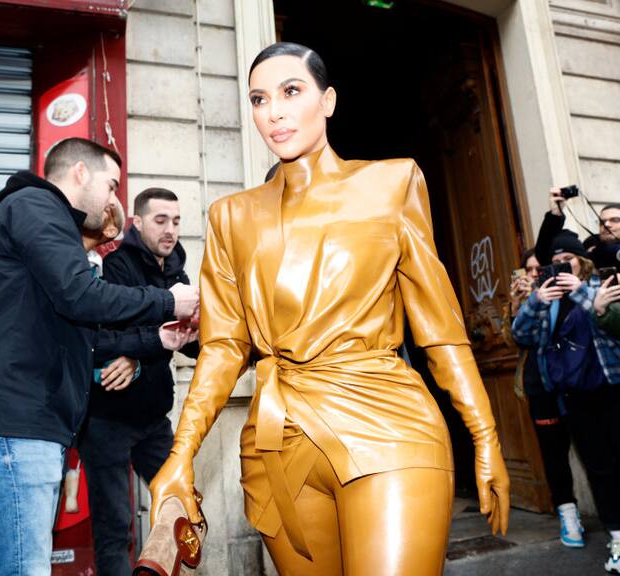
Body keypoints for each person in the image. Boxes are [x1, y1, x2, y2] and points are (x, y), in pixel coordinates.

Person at [149, 42, 509, 575]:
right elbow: (224, 347)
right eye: (258, 98)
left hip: (387, 422)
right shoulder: (231, 217)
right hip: (277, 444)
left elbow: (440, 329)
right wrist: (181, 453)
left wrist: (485, 435)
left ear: (329, 100)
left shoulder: (392, 184)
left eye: (291, 91)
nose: (273, 112)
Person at [0, 135, 198, 575]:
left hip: (15, 424)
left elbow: (80, 331)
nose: (113, 198)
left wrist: (158, 342)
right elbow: (82, 295)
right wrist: (168, 302)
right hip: (12, 427)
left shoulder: (28, 214)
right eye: (111, 185)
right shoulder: (37, 207)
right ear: (81, 173)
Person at [80, 187, 199, 575]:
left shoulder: (177, 269)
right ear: (138, 222)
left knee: (182, 509)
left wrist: (140, 357)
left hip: (153, 420)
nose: (170, 230)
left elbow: (182, 343)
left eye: (177, 221)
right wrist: (145, 347)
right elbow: (105, 339)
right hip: (107, 421)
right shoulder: (117, 265)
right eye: (161, 220)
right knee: (115, 529)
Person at [512, 230, 620, 573]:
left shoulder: (602, 285)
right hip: (575, 397)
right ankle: (618, 537)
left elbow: (612, 320)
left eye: (567, 261)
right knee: (600, 470)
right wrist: (535, 302)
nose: (560, 268)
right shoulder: (548, 302)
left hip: (612, 389)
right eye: (555, 263)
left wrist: (585, 296)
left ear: (582, 262)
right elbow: (521, 335)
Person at [508, 249, 582, 547]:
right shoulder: (525, 300)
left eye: (541, 268)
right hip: (540, 386)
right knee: (553, 454)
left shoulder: (568, 292)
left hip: (575, 384)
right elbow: (510, 339)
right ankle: (568, 514)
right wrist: (517, 303)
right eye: (530, 269)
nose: (536, 274)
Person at [535, 187, 620, 270]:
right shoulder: (593, 254)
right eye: (602, 222)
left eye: (615, 220)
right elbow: (543, 254)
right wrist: (555, 214)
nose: (606, 224)